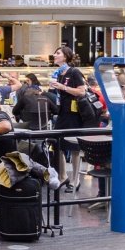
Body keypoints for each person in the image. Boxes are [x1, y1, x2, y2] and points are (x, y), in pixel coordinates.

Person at [50, 46, 87, 193]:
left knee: (74, 148)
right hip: (62, 113)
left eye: (57, 53)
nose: (55, 55)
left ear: (65, 56)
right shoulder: (59, 73)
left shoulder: (74, 72)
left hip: (73, 114)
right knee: (57, 144)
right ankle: (63, 175)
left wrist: (63, 88)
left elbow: (81, 91)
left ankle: (75, 179)